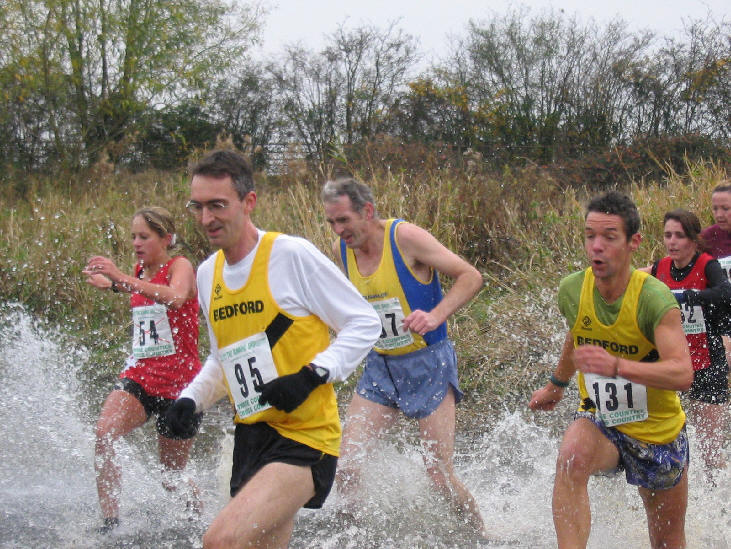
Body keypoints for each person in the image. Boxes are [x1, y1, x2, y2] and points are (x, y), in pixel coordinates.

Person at [165, 150, 381, 549]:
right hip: (252, 435)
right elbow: (222, 358)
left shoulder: (290, 255)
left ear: (248, 202)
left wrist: (312, 375)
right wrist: (190, 400)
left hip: (305, 437)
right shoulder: (207, 273)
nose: (206, 218)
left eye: (218, 205)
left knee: (221, 541)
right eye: (198, 207)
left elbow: (364, 322)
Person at [320, 177, 488, 538]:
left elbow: (470, 277)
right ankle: (354, 539)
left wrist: (436, 315)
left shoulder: (405, 238)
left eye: (344, 220)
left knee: (439, 476)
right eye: (332, 222)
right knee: (347, 467)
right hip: (380, 368)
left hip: (428, 364)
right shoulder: (342, 250)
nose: (338, 230)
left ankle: (481, 536)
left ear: (367, 211)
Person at [528, 191, 694, 549]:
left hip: (657, 430)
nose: (596, 247)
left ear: (633, 242)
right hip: (601, 417)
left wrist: (618, 366)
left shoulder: (653, 298)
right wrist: (556, 385)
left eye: (609, 237)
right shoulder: (573, 289)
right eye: (590, 236)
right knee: (571, 457)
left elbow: (683, 373)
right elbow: (577, 334)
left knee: (667, 541)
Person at [83, 206, 203, 533]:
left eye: (144, 237)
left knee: (171, 478)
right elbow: (140, 288)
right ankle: (111, 523)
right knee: (104, 433)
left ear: (165, 239)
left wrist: (120, 277)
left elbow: (175, 297)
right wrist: (112, 285)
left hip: (181, 387)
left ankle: (199, 521)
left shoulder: (180, 266)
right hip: (141, 377)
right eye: (134, 236)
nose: (136, 243)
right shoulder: (140, 271)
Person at [643, 209, 729, 475]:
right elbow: (629, 279)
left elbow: (725, 292)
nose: (672, 242)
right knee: (666, 445)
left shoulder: (707, 265)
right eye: (667, 235)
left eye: (679, 236)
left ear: (693, 239)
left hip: (707, 364)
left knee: (710, 451)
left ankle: (719, 495)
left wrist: (690, 296)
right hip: (671, 365)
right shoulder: (660, 268)